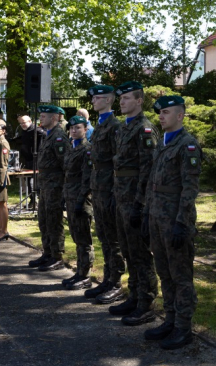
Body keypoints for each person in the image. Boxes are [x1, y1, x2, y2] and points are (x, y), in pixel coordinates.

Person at [142, 95, 202, 350]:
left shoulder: (188, 145)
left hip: (176, 221)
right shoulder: (163, 143)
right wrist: (146, 214)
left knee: (181, 276)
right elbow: (152, 181)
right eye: (160, 113)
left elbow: (190, 189)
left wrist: (181, 223)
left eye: (166, 112)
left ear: (180, 115)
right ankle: (170, 319)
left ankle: (183, 328)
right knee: (164, 272)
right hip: (157, 218)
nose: (161, 116)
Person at [110, 81, 160, 324]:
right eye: (121, 98)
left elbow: (147, 169)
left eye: (127, 98)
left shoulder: (144, 129)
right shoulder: (123, 128)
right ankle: (134, 295)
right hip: (121, 197)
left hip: (135, 199)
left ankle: (147, 302)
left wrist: (141, 205)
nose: (122, 102)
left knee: (140, 253)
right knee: (128, 251)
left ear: (139, 101)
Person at [83, 85, 126, 303]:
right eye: (93, 98)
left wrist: (113, 191)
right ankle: (108, 279)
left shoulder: (115, 126)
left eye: (98, 98)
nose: (93, 102)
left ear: (109, 100)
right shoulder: (100, 125)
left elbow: (117, 161)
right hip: (98, 187)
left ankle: (116, 282)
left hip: (109, 187)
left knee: (113, 238)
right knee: (104, 236)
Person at [28, 105, 70, 271]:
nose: (41, 119)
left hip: (55, 187)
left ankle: (57, 256)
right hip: (45, 187)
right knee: (44, 221)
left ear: (54, 118)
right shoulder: (47, 135)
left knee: (54, 221)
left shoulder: (59, 137)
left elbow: (65, 165)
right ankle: (48, 252)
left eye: (44, 116)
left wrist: (63, 190)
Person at [62, 116, 94, 290]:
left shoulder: (87, 150)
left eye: (78, 128)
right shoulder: (71, 148)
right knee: (76, 237)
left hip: (81, 200)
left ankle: (86, 275)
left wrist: (81, 200)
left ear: (85, 129)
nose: (74, 131)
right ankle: (80, 271)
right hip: (70, 197)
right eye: (72, 128)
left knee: (84, 238)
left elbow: (87, 177)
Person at [12, 114, 44, 209]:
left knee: (35, 181)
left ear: (30, 121)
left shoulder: (36, 130)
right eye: (21, 123)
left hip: (37, 160)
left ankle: (39, 201)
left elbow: (46, 135)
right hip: (28, 159)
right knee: (29, 180)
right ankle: (32, 201)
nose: (22, 124)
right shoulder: (24, 131)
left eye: (24, 122)